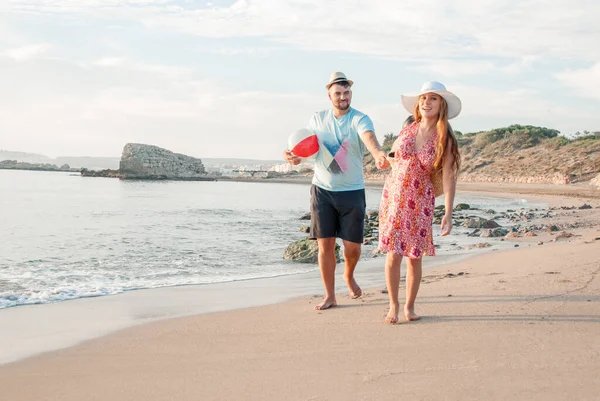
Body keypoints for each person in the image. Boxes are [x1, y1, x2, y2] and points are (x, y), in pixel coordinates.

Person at [284, 72, 389, 310]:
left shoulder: (359, 119)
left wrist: (377, 153)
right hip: (322, 190)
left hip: (352, 191)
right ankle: (330, 295)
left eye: (347, 93)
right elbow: (304, 148)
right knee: (326, 245)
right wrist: (292, 157)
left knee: (353, 248)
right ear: (329, 95)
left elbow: (369, 137)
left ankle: (348, 274)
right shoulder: (317, 119)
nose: (343, 97)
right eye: (338, 94)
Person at [378, 81, 462, 323]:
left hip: (419, 200)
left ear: (441, 105)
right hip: (394, 197)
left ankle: (410, 307)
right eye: (424, 97)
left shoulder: (443, 138)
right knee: (393, 254)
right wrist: (384, 160)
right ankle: (393, 305)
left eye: (433, 98)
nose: (427, 101)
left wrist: (448, 212)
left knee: (414, 256)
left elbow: (448, 176)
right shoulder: (407, 130)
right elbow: (393, 158)